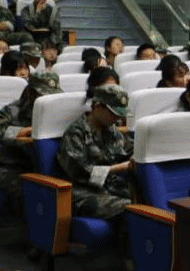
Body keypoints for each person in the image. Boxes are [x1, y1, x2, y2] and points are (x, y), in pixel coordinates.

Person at [55, 85, 134, 232]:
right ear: (97, 107)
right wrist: (116, 169)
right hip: (83, 194)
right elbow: (79, 172)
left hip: (110, 187)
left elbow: (130, 149)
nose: (117, 119)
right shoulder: (76, 133)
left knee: (146, 200)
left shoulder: (113, 130)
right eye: (113, 114)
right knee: (132, 209)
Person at [0, 72, 61, 219]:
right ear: (31, 94)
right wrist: (20, 132)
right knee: (28, 190)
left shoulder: (57, 110)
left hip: (44, 164)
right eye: (43, 96)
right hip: (11, 166)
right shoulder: (14, 111)